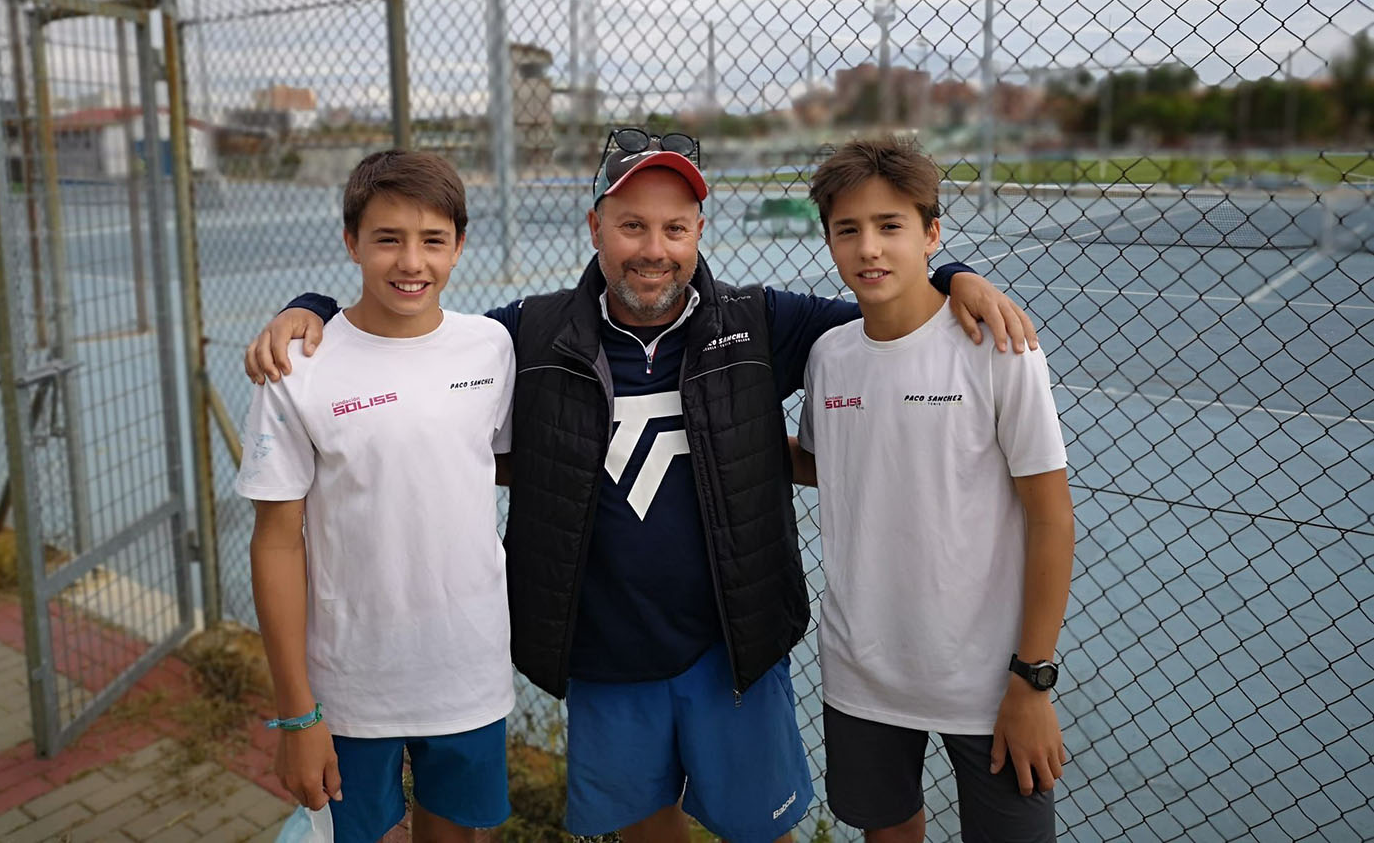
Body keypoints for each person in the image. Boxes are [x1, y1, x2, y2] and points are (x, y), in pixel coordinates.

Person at [244, 128, 1039, 843]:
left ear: (698, 232)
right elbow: (411, 342)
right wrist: (310, 309)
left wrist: (958, 277)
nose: (651, 248)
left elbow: (889, 306)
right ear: (595, 229)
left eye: (672, 227)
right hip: (603, 651)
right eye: (629, 226)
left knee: (756, 831)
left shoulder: (762, 322)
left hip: (733, 649)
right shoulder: (525, 331)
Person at [791, 136, 1074, 843]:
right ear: (828, 239)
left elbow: (1050, 518)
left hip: (989, 684)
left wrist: (1032, 680)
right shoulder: (829, 357)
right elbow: (828, 462)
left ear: (932, 234)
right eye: (847, 230)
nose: (869, 249)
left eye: (890, 226)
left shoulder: (998, 347)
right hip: (861, 673)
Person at [237, 150, 516, 843]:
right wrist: (296, 714)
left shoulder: (492, 347)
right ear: (350, 243)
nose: (410, 262)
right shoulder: (295, 367)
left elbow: (483, 464)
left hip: (469, 672)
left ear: (460, 244)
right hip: (350, 686)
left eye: (432, 241)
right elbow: (275, 541)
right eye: (387, 239)